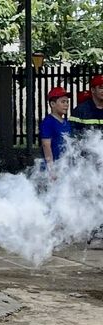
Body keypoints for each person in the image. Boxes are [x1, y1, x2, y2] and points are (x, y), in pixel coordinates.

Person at [70, 75, 103, 249]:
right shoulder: (81, 110)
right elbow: (72, 140)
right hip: (88, 164)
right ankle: (93, 232)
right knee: (91, 198)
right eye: (100, 87)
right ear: (93, 90)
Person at [39, 87, 71, 172]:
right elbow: (46, 146)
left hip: (64, 167)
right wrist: (51, 170)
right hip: (52, 169)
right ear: (52, 104)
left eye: (67, 102)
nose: (66, 104)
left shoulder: (66, 123)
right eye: (63, 102)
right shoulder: (48, 122)